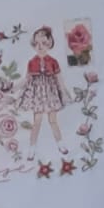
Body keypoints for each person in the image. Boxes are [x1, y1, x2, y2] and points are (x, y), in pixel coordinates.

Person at [16, 27, 68, 160]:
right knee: (37, 121)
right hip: (38, 95)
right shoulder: (31, 62)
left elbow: (59, 79)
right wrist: (14, 88)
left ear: (50, 44)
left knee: (53, 120)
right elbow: (26, 79)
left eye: (44, 43)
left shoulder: (53, 61)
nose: (40, 47)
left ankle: (61, 144)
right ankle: (32, 148)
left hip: (51, 94)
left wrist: (64, 93)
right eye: (36, 43)